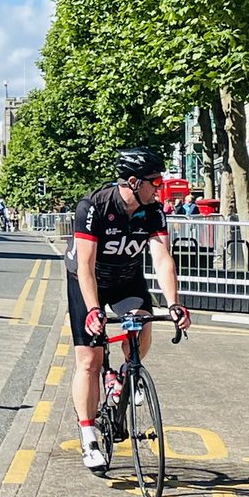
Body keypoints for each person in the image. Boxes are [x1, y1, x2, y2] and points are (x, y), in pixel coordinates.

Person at [65, 148, 191, 472]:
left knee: (143, 327)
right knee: (89, 360)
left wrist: (174, 303)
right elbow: (86, 265)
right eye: (155, 182)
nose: (159, 188)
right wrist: (94, 311)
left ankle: (125, 373)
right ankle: (89, 434)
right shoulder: (95, 206)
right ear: (134, 182)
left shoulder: (152, 211)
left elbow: (163, 259)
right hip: (89, 279)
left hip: (127, 279)